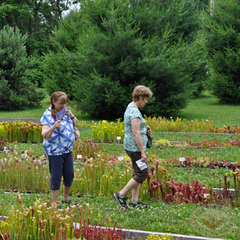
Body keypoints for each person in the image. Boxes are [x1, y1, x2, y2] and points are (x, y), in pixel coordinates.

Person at [114, 85, 153, 208]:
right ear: (140, 97)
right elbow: (135, 133)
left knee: (138, 172)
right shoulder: (134, 112)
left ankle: (134, 201)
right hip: (135, 148)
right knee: (142, 172)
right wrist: (142, 152)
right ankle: (121, 194)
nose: (146, 102)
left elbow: (135, 130)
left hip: (131, 146)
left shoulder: (130, 107)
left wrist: (145, 133)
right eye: (145, 99)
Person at [40, 91, 78, 208]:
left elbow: (75, 124)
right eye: (61, 103)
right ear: (53, 102)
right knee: (56, 177)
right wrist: (53, 127)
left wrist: (71, 115)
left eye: (65, 103)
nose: (64, 105)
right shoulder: (47, 115)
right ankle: (54, 203)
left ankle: (65, 199)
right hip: (55, 152)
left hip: (67, 151)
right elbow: (45, 135)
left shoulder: (65, 112)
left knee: (69, 174)